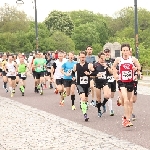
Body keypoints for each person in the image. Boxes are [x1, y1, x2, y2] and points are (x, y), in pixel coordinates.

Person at [113, 43, 141, 127]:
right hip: (122, 81)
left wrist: (136, 69)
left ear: (129, 51)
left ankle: (126, 116)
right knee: (126, 99)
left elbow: (139, 67)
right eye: (124, 50)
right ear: (122, 51)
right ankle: (126, 120)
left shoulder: (133, 59)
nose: (125, 52)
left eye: (127, 50)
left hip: (130, 81)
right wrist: (115, 75)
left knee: (129, 101)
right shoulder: (118, 59)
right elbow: (113, 67)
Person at [73, 51, 94, 121]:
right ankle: (85, 114)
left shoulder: (89, 65)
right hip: (79, 84)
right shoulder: (76, 65)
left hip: (87, 85)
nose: (83, 58)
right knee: (83, 98)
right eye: (81, 57)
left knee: (86, 99)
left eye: (84, 57)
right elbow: (73, 72)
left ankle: (83, 104)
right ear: (79, 57)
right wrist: (73, 77)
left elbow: (94, 72)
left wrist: (89, 73)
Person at [104, 48, 116, 116]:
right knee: (108, 95)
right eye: (106, 52)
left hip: (113, 79)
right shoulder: (103, 61)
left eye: (108, 52)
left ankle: (106, 103)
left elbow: (114, 69)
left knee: (112, 95)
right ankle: (111, 110)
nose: (107, 53)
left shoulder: (113, 60)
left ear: (110, 53)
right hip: (106, 80)